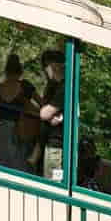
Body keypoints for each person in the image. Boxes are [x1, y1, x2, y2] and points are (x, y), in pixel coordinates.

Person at [0, 54, 39, 172]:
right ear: (20, 70)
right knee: (19, 167)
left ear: (6, 70)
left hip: (1, 131)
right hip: (21, 132)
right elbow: (42, 106)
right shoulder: (25, 86)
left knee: (2, 166)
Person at [36, 49, 67, 181]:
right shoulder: (55, 86)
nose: (45, 70)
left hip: (56, 148)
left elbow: (44, 113)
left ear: (53, 65)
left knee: (52, 182)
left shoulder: (64, 88)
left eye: (46, 66)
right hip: (52, 144)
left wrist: (48, 113)